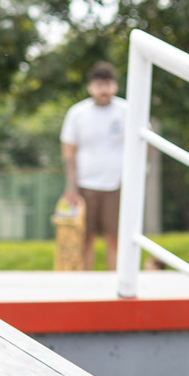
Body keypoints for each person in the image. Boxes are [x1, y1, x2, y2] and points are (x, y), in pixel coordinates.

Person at [60, 62, 126, 271]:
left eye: (107, 85)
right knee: (84, 237)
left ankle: (115, 281)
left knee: (114, 237)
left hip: (117, 184)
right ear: (90, 87)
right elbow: (68, 151)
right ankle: (84, 281)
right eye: (99, 85)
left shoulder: (127, 110)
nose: (103, 90)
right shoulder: (78, 113)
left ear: (115, 86)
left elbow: (143, 146)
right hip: (85, 185)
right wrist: (71, 186)